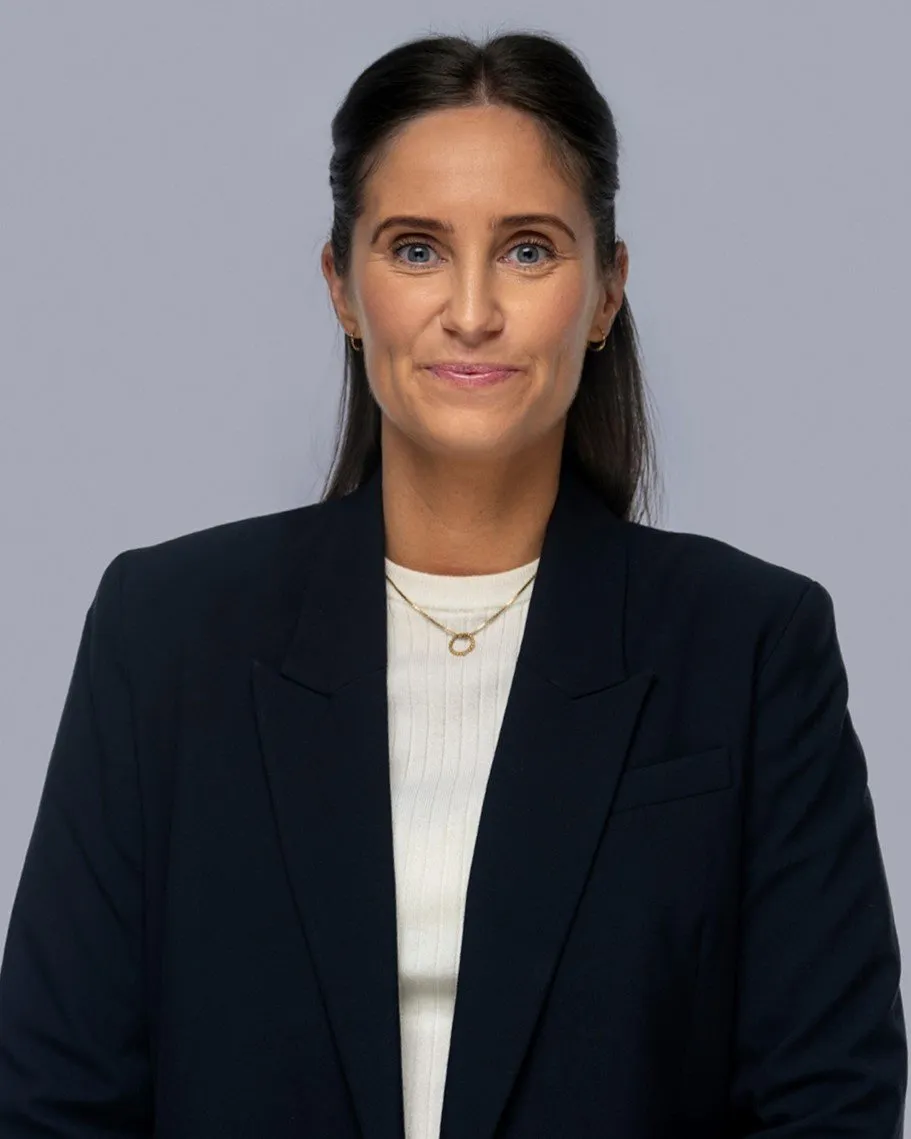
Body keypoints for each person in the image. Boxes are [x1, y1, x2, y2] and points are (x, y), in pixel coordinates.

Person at [0, 27, 906, 1139]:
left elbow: (829, 1101)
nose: (471, 310)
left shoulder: (753, 645)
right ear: (341, 285)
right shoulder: (167, 634)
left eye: (527, 249)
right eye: (415, 248)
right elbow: (56, 1097)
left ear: (606, 288)